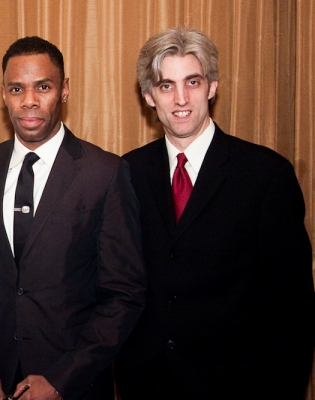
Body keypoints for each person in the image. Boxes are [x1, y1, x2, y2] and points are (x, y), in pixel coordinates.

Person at [114, 27, 315, 399]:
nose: (181, 98)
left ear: (212, 87)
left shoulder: (266, 175)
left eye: (192, 81)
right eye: (166, 86)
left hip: (241, 386)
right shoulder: (126, 173)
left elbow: (293, 310)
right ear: (148, 96)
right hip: (147, 385)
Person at [0, 36, 146, 400]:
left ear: (65, 90)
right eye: (17, 89)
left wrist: (62, 379)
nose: (29, 101)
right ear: (3, 94)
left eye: (44, 86)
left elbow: (124, 295)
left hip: (75, 384)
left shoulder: (105, 173)